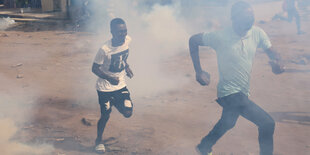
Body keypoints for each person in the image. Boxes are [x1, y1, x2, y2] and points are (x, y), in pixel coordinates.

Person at [189, 1, 285, 155]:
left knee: (228, 122)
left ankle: (204, 146)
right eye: (246, 16)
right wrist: (199, 71)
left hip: (242, 92)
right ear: (234, 18)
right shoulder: (220, 36)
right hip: (229, 93)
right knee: (267, 123)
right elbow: (193, 40)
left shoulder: (257, 33)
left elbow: (273, 52)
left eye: (252, 15)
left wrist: (278, 63)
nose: (250, 19)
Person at [92, 18, 134, 154]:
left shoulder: (128, 40)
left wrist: (126, 67)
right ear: (112, 33)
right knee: (105, 116)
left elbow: (123, 56)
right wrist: (109, 78)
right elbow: (94, 68)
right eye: (120, 32)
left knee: (128, 112)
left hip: (120, 85)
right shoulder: (104, 49)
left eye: (125, 31)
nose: (123, 34)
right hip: (104, 88)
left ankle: (115, 101)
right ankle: (98, 141)